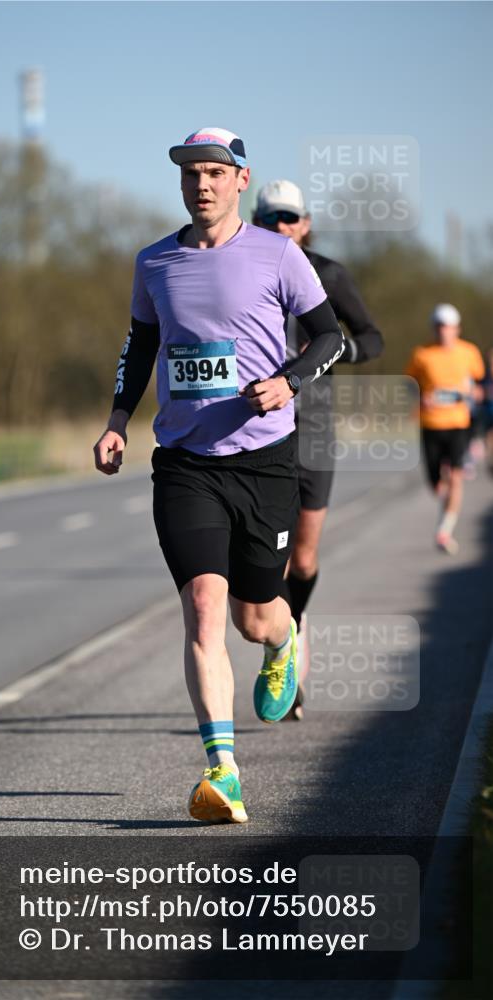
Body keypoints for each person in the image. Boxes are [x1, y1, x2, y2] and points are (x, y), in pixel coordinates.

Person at [94, 128, 345, 823]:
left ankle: (284, 638)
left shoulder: (278, 254)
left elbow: (331, 336)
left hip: (264, 462)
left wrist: (289, 381)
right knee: (204, 607)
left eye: (213, 172)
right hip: (184, 463)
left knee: (253, 618)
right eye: (189, 174)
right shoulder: (155, 261)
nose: (200, 184)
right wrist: (117, 420)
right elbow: (141, 344)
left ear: (240, 180)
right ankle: (222, 772)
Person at [252, 180, 384, 717]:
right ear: (257, 223)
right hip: (263, 429)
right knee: (272, 558)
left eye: (290, 218)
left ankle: (294, 625)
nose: (280, 226)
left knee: (303, 558)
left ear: (305, 224)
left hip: (314, 430)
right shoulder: (245, 269)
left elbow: (372, 337)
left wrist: (336, 348)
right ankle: (282, 648)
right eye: (270, 219)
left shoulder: (328, 274)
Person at [405, 303, 485, 554]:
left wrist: (475, 392)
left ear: (457, 329)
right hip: (431, 424)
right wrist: (421, 397)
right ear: (434, 328)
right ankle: (446, 506)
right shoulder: (422, 354)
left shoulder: (469, 352)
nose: (444, 332)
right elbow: (408, 383)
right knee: (436, 483)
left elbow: (479, 383)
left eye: (449, 327)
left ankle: (445, 530)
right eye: (440, 327)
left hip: (458, 423)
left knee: (457, 477)